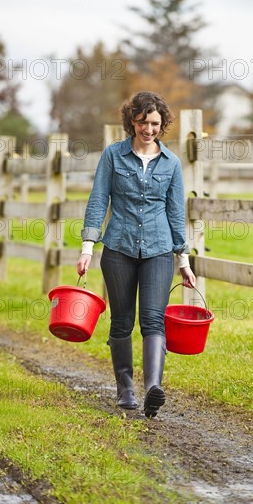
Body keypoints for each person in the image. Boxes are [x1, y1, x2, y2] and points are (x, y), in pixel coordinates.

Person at [77, 91, 196, 418]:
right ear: (132, 121)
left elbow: (175, 213)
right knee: (122, 321)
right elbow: (98, 201)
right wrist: (88, 247)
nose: (149, 129)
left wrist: (183, 260)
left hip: (159, 251)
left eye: (155, 123)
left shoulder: (171, 163)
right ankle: (125, 388)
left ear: (163, 124)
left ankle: (152, 387)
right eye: (143, 122)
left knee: (153, 319)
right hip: (118, 249)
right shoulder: (113, 156)